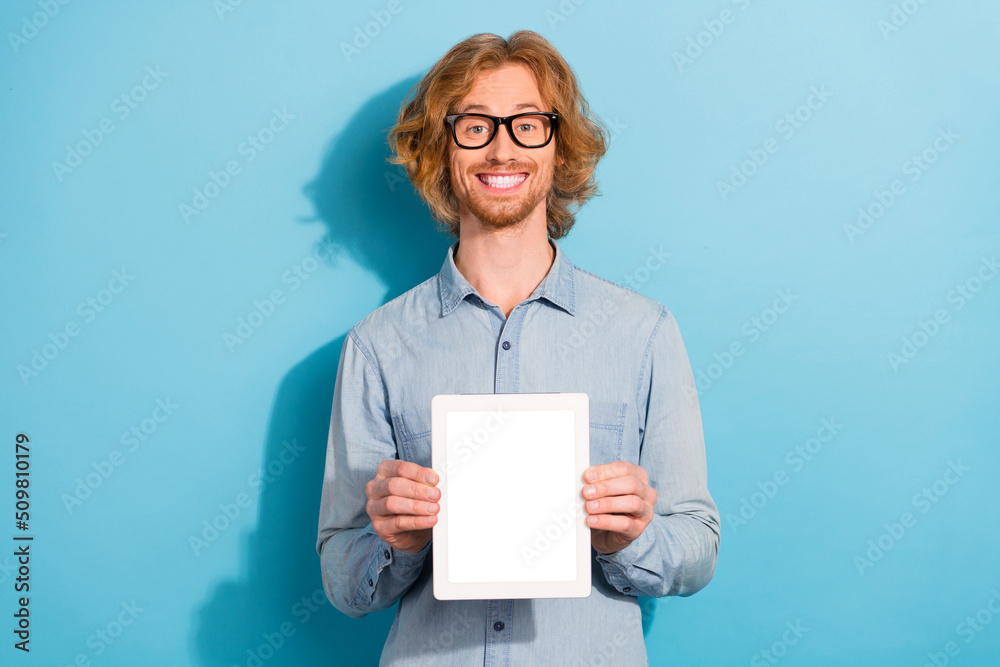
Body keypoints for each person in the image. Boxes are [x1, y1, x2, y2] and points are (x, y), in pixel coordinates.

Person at [316, 30, 720, 666]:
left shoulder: (643, 332)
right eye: (475, 125)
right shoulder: (378, 345)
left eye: (528, 124)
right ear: (442, 148)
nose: (502, 148)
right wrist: (398, 542)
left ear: (559, 147)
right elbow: (342, 578)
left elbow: (697, 547)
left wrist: (629, 538)